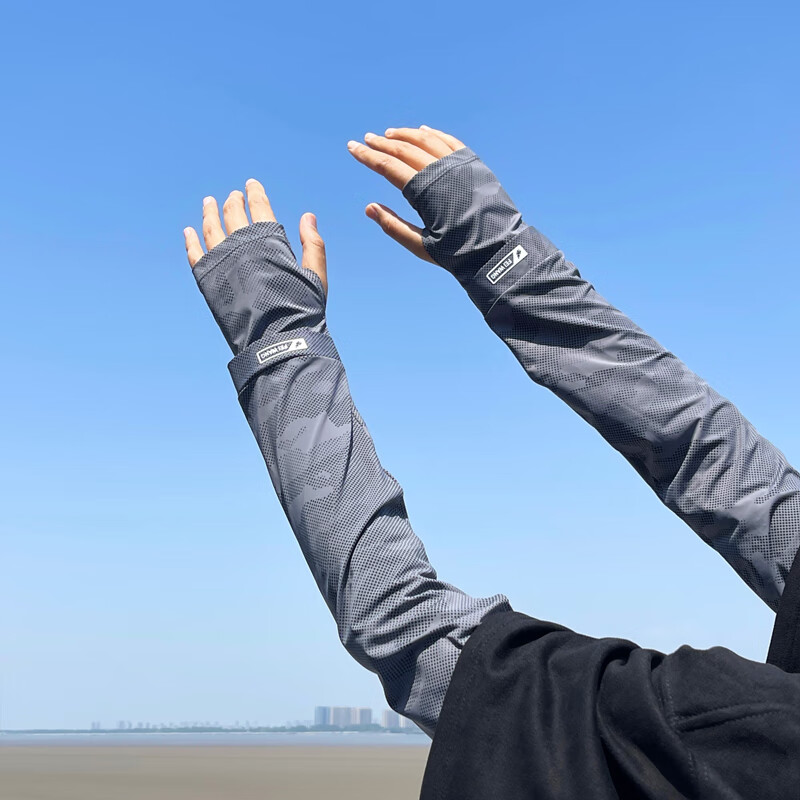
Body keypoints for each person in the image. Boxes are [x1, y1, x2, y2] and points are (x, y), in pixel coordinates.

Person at [182, 126, 800, 798]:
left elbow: (409, 630)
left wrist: (279, 341)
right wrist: (505, 263)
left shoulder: (736, 738)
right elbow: (729, 479)